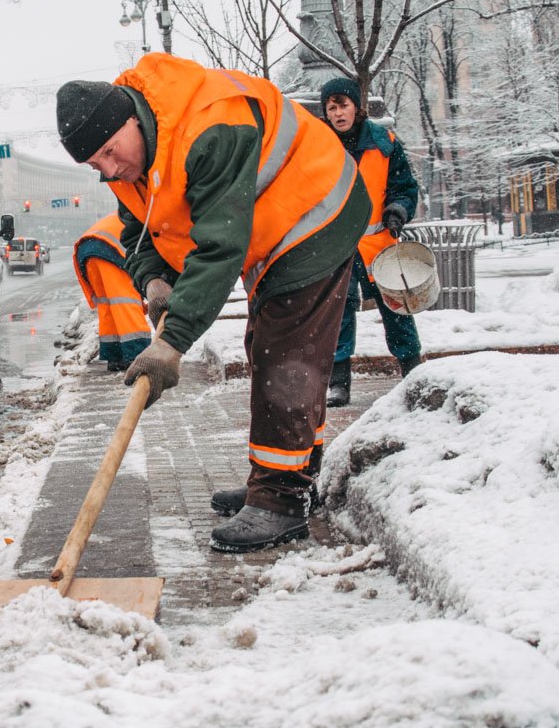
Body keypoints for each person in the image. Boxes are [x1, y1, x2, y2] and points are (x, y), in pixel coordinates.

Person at [55, 54, 371, 553]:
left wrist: (171, 344)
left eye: (111, 153)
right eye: (97, 165)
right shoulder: (133, 165)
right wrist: (156, 281)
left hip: (317, 210)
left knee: (286, 353)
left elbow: (219, 249)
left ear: (131, 120)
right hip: (275, 230)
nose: (110, 169)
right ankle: (281, 476)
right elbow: (139, 232)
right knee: (266, 345)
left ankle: (281, 502)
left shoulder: (210, 129)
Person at [318, 76, 423, 408]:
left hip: (379, 243)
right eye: (331, 108)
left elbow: (404, 188)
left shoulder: (384, 142)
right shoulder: (318, 146)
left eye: (343, 105)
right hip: (338, 246)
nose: (338, 113)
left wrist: (397, 210)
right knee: (339, 312)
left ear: (356, 108)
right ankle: (338, 383)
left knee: (396, 308)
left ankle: (412, 370)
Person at [72, 212, 151, 371]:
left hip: (88, 249)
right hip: (110, 250)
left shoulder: (142, 211)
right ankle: (139, 355)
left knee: (109, 304)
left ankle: (115, 356)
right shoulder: (158, 224)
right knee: (126, 301)